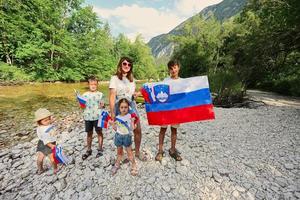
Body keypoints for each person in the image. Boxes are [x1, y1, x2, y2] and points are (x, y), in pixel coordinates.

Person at [109, 57, 146, 161]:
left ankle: (137, 152)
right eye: (125, 64)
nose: (127, 66)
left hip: (131, 105)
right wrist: (112, 114)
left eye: (129, 64)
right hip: (120, 106)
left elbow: (132, 95)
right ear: (120, 64)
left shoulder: (132, 80)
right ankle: (121, 154)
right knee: (121, 131)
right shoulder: (114, 78)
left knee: (137, 129)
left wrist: (137, 93)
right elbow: (112, 96)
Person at [155, 60, 183, 162]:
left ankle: (172, 149)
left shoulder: (182, 81)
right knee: (163, 130)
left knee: (174, 130)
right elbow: (159, 93)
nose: (173, 70)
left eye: (175, 67)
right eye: (171, 68)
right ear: (169, 70)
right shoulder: (165, 80)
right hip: (166, 110)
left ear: (178, 68)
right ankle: (160, 150)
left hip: (176, 110)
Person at [111, 98, 138, 176]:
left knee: (129, 152)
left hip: (127, 136)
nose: (124, 109)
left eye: (125, 107)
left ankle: (133, 164)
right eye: (122, 107)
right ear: (119, 108)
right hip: (118, 136)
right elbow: (116, 129)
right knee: (119, 152)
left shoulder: (130, 116)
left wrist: (133, 121)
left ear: (128, 107)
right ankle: (117, 164)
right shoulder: (117, 117)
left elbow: (132, 128)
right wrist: (113, 125)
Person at [81, 76, 105, 160]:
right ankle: (89, 149)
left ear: (97, 85)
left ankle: (100, 148)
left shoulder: (100, 94)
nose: (93, 86)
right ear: (88, 85)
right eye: (91, 84)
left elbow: (103, 105)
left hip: (98, 117)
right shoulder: (84, 95)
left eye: (95, 84)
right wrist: (80, 101)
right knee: (89, 133)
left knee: (99, 132)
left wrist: (103, 105)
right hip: (88, 117)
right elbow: (82, 106)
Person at [35, 108, 58, 174]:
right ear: (40, 121)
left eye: (49, 119)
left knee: (40, 157)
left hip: (41, 143)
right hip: (48, 143)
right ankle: (55, 169)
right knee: (52, 157)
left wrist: (51, 120)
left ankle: (40, 169)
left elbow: (49, 123)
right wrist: (52, 146)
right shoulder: (44, 131)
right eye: (46, 120)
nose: (48, 121)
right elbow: (46, 141)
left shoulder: (41, 126)